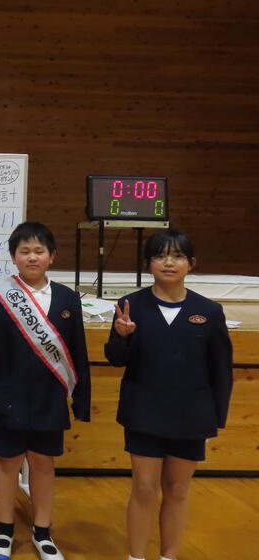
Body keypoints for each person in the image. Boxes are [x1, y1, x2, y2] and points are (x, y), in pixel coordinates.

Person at [0, 221, 90, 560]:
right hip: (7, 394)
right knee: (8, 462)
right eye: (24, 251)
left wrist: (82, 399)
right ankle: (4, 530)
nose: (32, 257)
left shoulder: (67, 298)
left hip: (50, 397)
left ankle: (43, 532)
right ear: (13, 257)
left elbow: (77, 350)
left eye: (39, 251)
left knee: (43, 463)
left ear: (52, 256)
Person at [105, 229, 232, 560]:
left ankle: (168, 556)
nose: (169, 262)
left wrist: (216, 418)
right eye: (160, 256)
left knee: (177, 491)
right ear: (148, 263)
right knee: (144, 489)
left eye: (177, 256)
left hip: (192, 417)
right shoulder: (130, 305)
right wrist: (122, 336)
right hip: (143, 413)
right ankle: (136, 556)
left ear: (191, 263)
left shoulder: (209, 311)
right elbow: (115, 359)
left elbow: (221, 370)